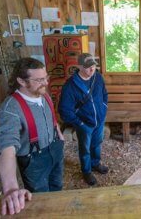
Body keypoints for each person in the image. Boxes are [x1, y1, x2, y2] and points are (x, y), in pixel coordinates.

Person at [0, 58, 64, 216]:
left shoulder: (43, 94)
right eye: (39, 80)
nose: (45, 83)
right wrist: (11, 188)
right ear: (21, 81)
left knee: (57, 186)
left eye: (46, 77)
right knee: (40, 199)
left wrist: (59, 134)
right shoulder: (10, 108)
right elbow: (7, 146)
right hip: (34, 160)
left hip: (55, 148)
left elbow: (52, 118)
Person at [59, 53, 108, 186]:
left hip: (99, 120)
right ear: (79, 66)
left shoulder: (97, 77)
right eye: (87, 67)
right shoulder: (70, 85)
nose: (91, 69)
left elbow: (104, 93)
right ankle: (86, 171)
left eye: (93, 65)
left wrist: (104, 108)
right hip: (84, 124)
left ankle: (95, 163)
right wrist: (79, 123)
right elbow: (64, 110)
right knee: (85, 148)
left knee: (97, 143)